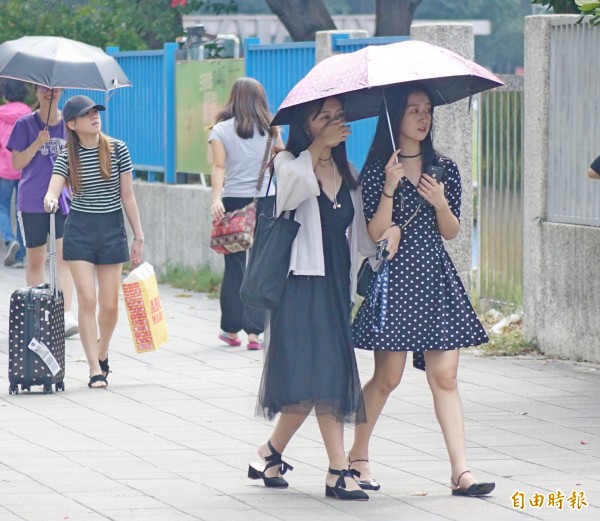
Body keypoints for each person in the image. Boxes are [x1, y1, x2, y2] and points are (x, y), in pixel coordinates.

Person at [349, 84, 495, 497]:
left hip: (434, 277)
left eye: (427, 109)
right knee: (388, 377)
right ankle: (357, 455)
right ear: (396, 117)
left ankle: (461, 471)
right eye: (413, 109)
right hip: (397, 279)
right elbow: (375, 233)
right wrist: (391, 187)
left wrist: (441, 204)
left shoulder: (444, 168)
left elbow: (450, 232)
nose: (423, 116)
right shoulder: (380, 168)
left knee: (445, 376)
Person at [248, 96, 374, 501]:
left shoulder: (347, 171)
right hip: (300, 285)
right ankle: (339, 469)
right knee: (324, 374)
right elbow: (289, 195)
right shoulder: (286, 165)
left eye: (341, 116)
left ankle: (270, 452)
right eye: (327, 117)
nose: (338, 123)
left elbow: (361, 237)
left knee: (313, 378)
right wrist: (317, 149)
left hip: (335, 283)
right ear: (309, 125)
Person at [43, 95, 144, 389]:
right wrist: (50, 199)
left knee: (110, 306)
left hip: (112, 228)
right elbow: (53, 189)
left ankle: (102, 352)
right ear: (72, 124)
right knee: (87, 300)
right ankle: (93, 368)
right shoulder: (67, 157)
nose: (95, 117)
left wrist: (139, 236)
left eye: (96, 112)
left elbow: (128, 195)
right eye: (87, 115)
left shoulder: (117, 149)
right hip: (80, 231)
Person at [209, 77, 283, 351]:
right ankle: (255, 333)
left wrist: (216, 198)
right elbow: (282, 158)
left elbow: (219, 167)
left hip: (234, 201)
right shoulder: (272, 130)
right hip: (266, 200)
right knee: (260, 265)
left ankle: (230, 330)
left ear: (234, 98)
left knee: (235, 266)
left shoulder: (220, 130)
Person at [6, 85, 78, 336]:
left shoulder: (70, 124)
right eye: (44, 89)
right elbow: (16, 163)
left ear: (62, 91)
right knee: (35, 257)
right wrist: (37, 142)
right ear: (36, 92)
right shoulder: (24, 124)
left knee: (64, 258)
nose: (50, 92)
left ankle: (65, 313)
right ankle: (36, 313)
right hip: (32, 202)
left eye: (55, 89)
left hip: (64, 201)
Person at [0, 79, 30, 268]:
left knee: (2, 208)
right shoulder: (29, 115)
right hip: (24, 169)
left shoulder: (0, 115)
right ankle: (19, 257)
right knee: (22, 212)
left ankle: (10, 240)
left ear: (5, 96)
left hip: (3, 168)